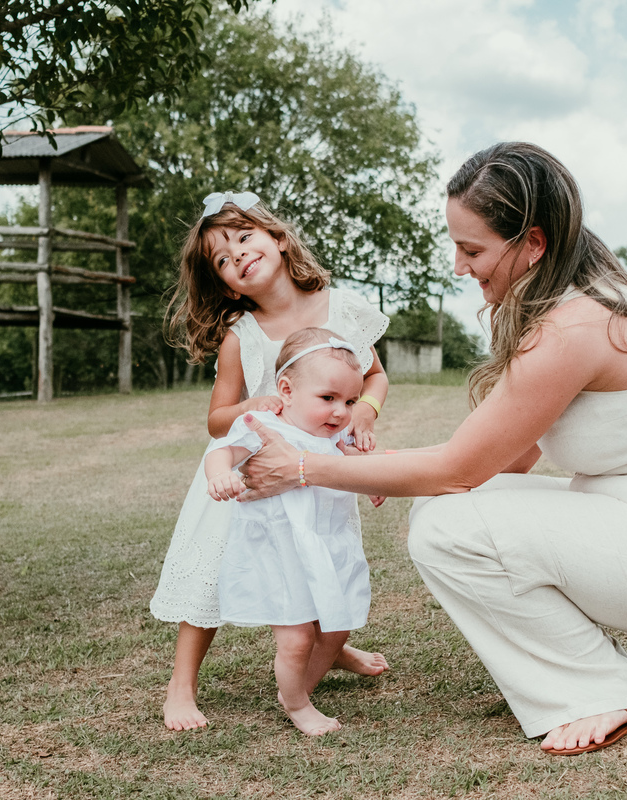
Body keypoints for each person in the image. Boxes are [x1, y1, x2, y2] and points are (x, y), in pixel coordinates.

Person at [235, 143, 627, 755]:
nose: (460, 267)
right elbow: (505, 460)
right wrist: (376, 466)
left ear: (532, 244)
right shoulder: (573, 308)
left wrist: (303, 467)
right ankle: (589, 674)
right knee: (439, 512)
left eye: (473, 249)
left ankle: (598, 690)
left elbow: (460, 470)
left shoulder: (574, 326)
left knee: (445, 525)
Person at [150, 191, 391, 731]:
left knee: (321, 566)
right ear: (224, 283)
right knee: (208, 573)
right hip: (245, 472)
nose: (236, 256)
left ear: (277, 239)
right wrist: (250, 404)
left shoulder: (342, 307)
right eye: (221, 259)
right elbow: (216, 421)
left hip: (314, 473)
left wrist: (366, 414)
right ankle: (181, 685)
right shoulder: (242, 336)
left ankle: (332, 647)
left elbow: (373, 375)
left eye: (243, 238)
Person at [206, 327, 373, 736]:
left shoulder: (334, 438)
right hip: (280, 552)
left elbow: (356, 468)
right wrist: (220, 476)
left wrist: (373, 484)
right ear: (286, 389)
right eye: (328, 398)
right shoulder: (264, 426)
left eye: (350, 401)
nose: (340, 412)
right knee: (297, 637)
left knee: (337, 626)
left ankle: (300, 689)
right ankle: (297, 704)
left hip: (329, 546)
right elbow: (221, 450)